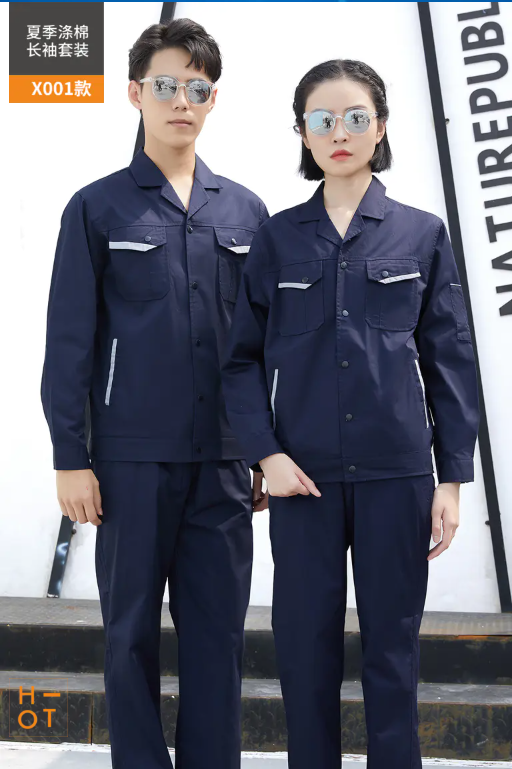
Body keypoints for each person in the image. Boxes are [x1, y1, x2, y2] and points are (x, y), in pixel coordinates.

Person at [221, 59, 480, 769]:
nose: (340, 133)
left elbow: (451, 361)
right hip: (301, 477)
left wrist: (451, 480)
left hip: (397, 475)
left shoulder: (420, 234)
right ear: (303, 133)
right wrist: (266, 455)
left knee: (393, 650)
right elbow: (240, 360)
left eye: (356, 118)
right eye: (323, 120)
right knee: (305, 648)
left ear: (381, 128)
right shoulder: (277, 238)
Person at [41, 18, 269, 769]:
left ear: (213, 100)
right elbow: (69, 342)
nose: (181, 101)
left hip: (223, 464)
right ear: (136, 93)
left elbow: (266, 348)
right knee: (129, 633)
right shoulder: (98, 208)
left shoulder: (245, 212)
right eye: (166, 85)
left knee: (218, 637)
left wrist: (265, 448)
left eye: (197, 88)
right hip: (130, 462)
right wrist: (71, 457)